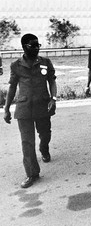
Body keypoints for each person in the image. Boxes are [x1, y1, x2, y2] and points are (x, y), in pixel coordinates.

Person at [3, 33, 57, 188]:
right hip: (24, 107)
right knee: (27, 142)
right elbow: (12, 87)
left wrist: (53, 99)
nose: (36, 48)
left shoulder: (45, 62)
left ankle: (44, 148)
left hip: (43, 105)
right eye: (32, 45)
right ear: (24, 47)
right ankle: (32, 173)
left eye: (37, 45)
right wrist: (6, 109)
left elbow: (52, 82)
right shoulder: (16, 65)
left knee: (45, 134)